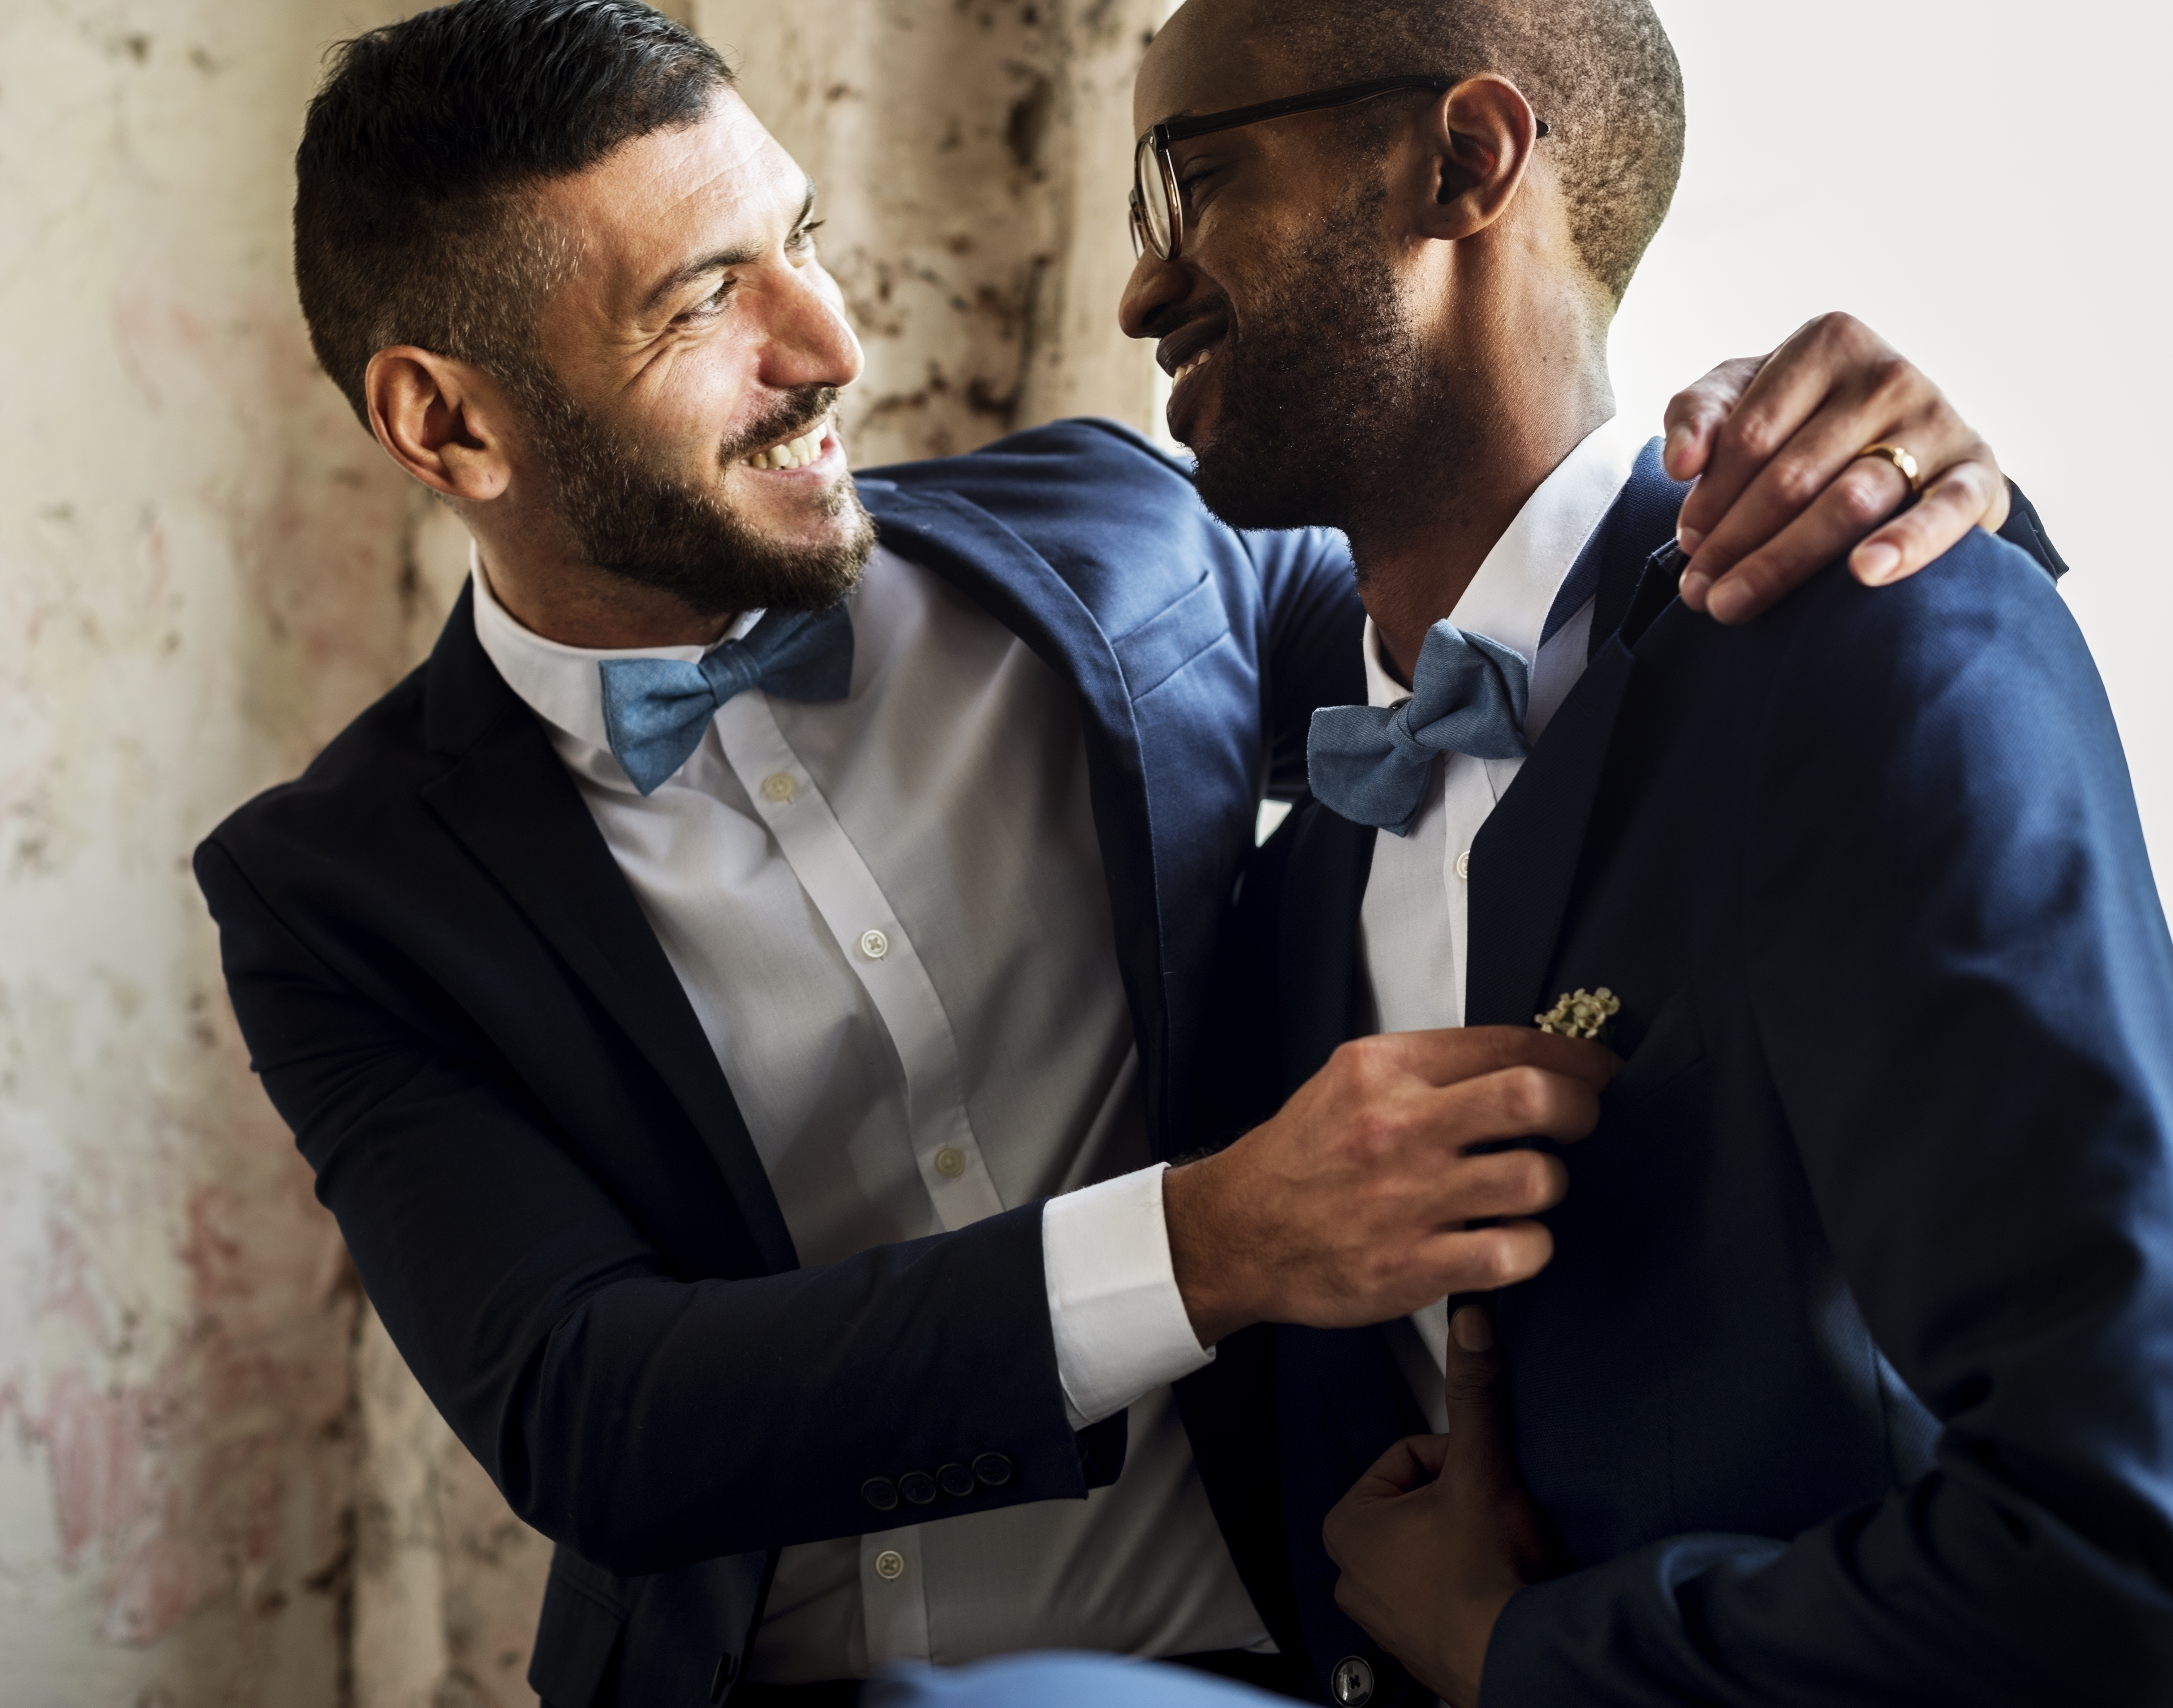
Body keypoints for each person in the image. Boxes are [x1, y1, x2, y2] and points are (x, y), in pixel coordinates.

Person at [195, 1, 2052, 1703]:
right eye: (703, 306)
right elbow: (591, 1407)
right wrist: (1214, 1240)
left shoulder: (1120, 541)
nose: (834, 345)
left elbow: (1551, 607)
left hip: (1280, 1645)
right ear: (446, 419)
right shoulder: (337, 892)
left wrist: (1830, 467)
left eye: (807, 242)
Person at [1095, 0, 2173, 1703]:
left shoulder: (1881, 645)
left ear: (1465, 162)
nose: (1143, 287)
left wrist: (1524, 1656)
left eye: (1191, 182)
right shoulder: (1292, 883)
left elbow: (2154, 1565)